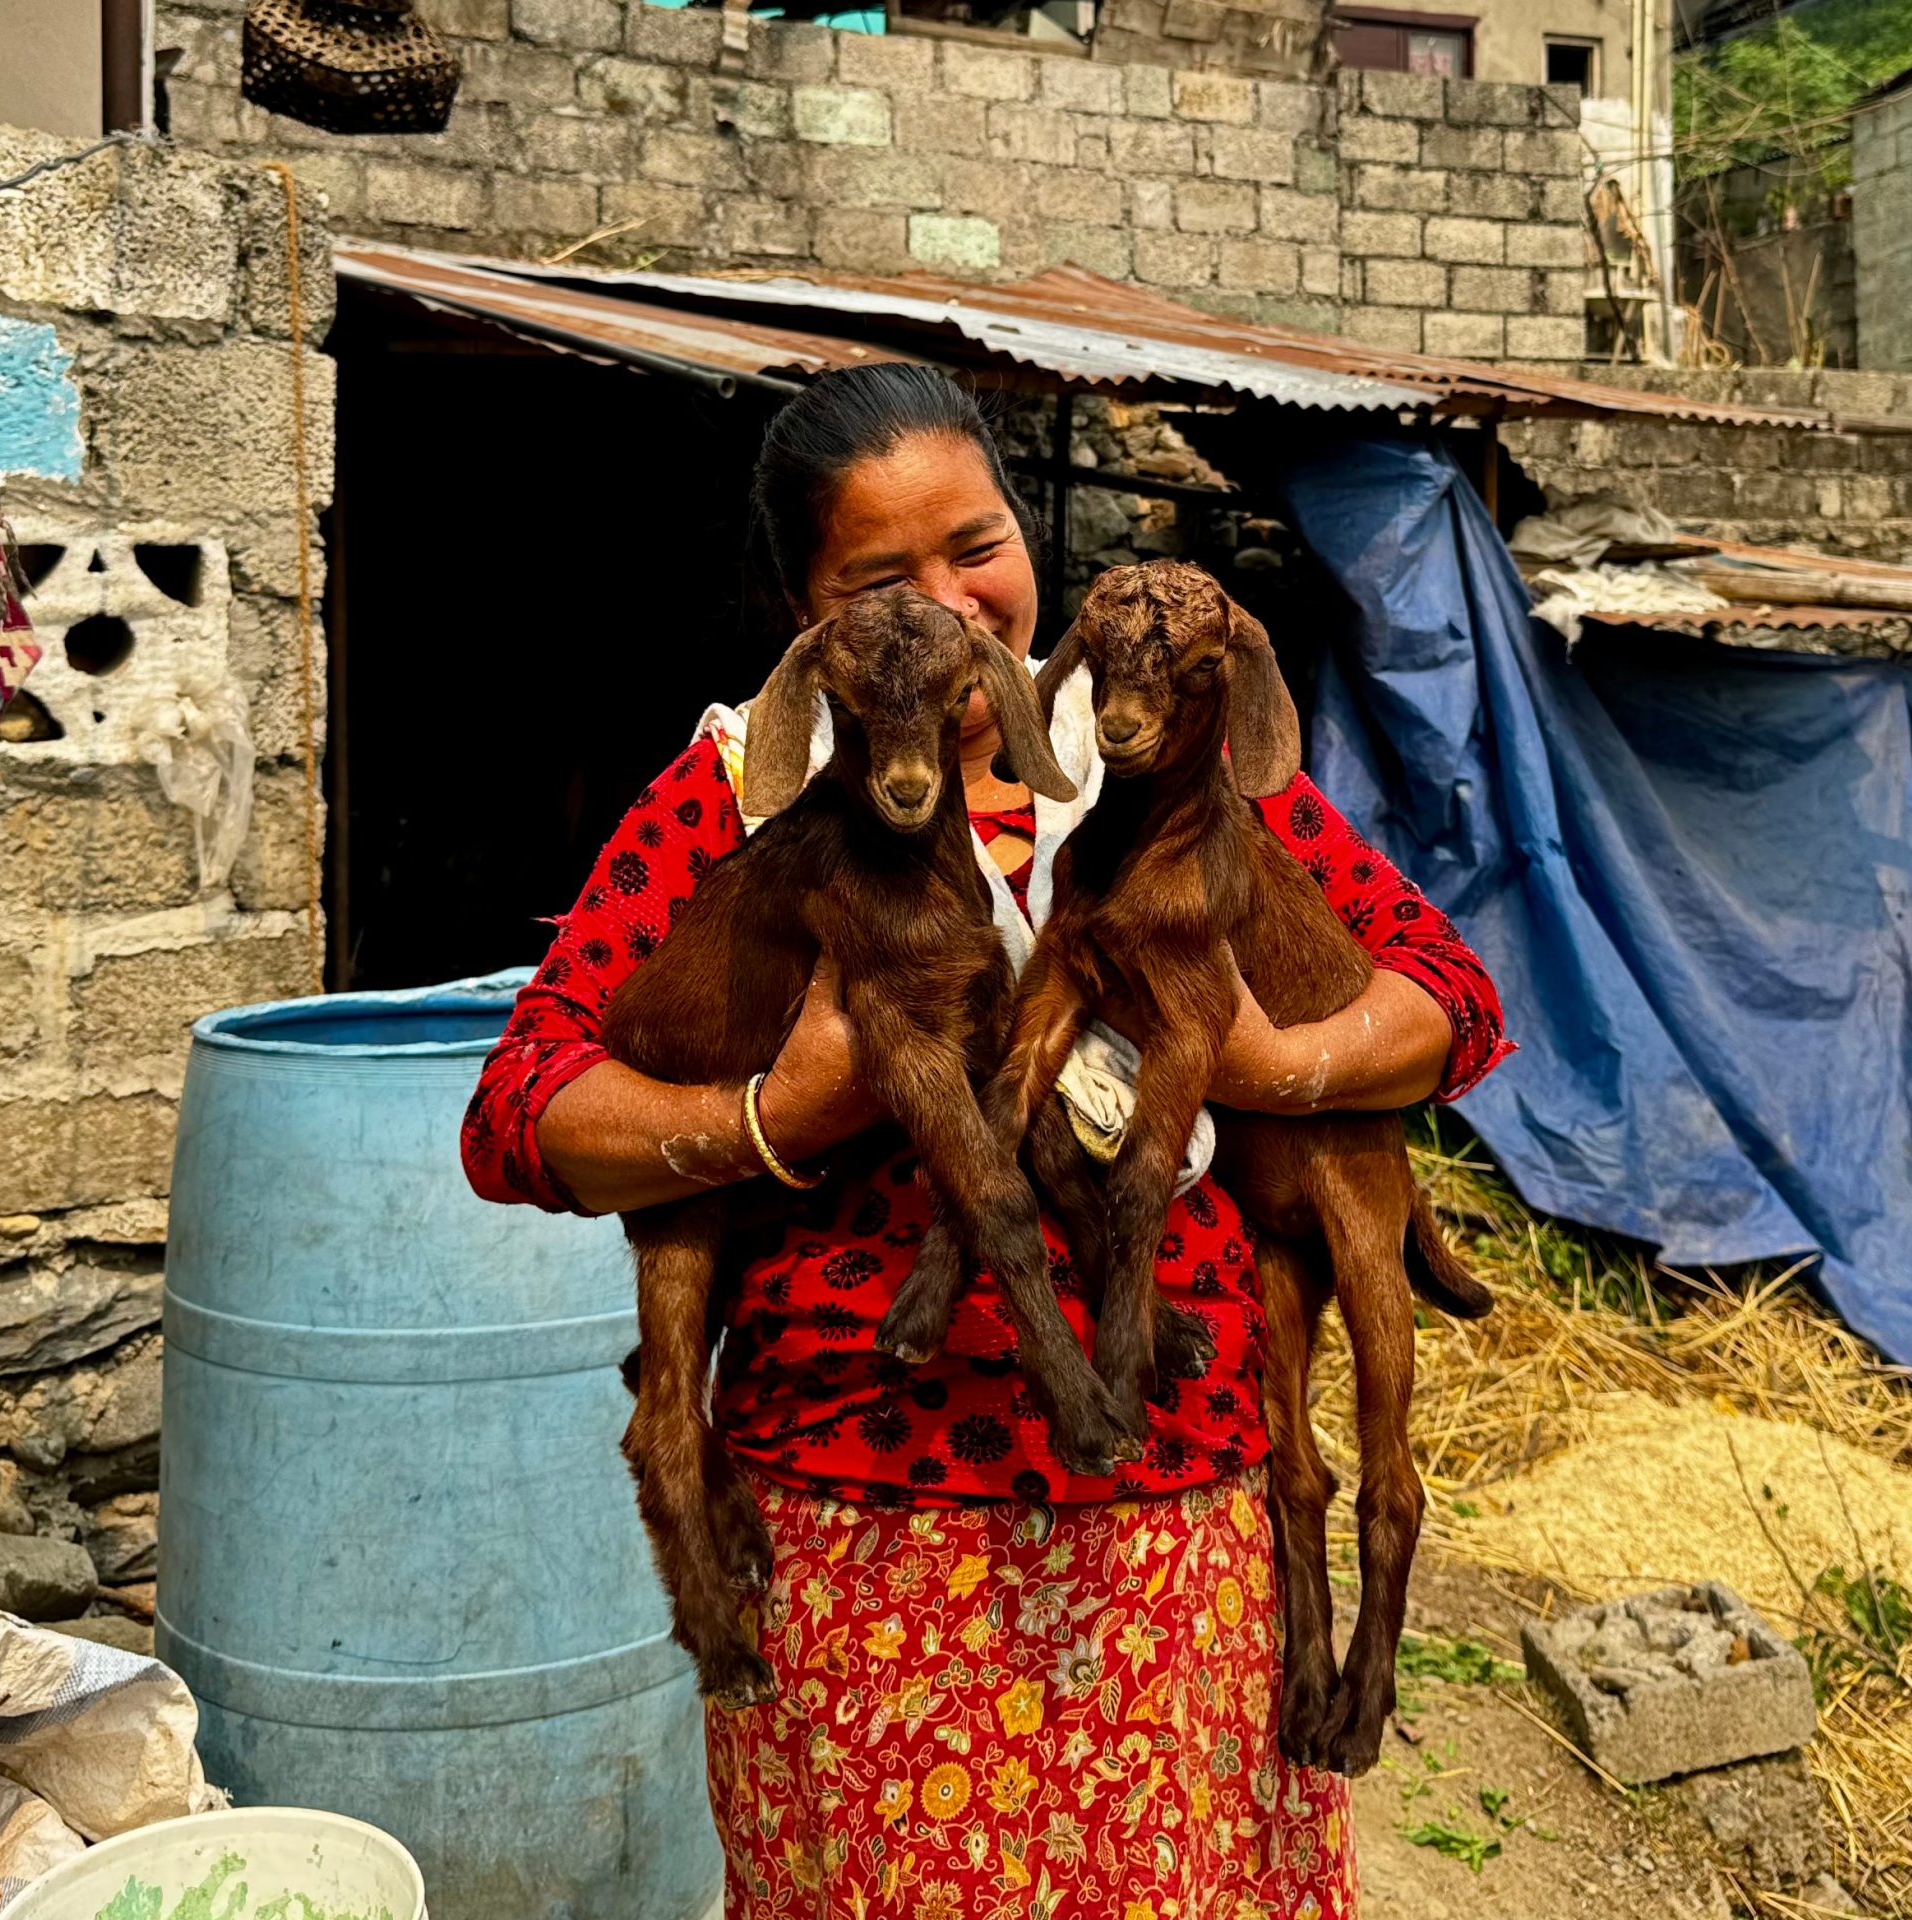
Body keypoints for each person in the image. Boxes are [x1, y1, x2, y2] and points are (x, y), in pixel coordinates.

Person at [461, 364, 1509, 1919]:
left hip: (1174, 1512)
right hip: (857, 1525)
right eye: (883, 576)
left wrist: (1268, 1060)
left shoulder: (1158, 761)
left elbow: (1449, 1001)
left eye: (980, 545)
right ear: (813, 614)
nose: (953, 604)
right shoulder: (743, 792)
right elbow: (520, 1111)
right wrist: (774, 1112)